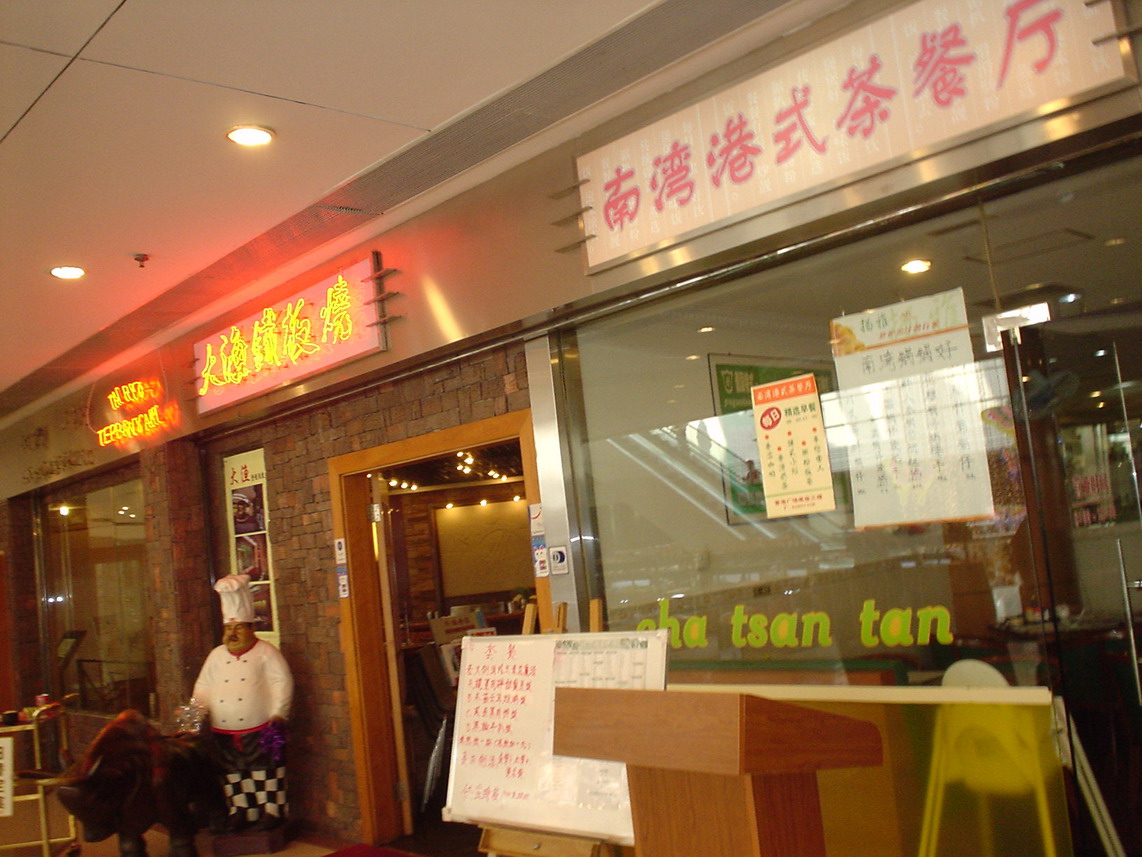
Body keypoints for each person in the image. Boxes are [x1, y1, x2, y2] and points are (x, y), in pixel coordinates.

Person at [192, 574, 293, 832]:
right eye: (229, 629)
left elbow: (282, 683)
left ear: (251, 629)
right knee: (233, 773)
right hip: (223, 732)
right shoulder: (216, 656)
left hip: (260, 728)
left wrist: (278, 714)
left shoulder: (266, 652)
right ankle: (241, 810)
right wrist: (189, 722)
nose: (232, 634)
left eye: (238, 628)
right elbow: (202, 688)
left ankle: (271, 810)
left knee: (265, 771)